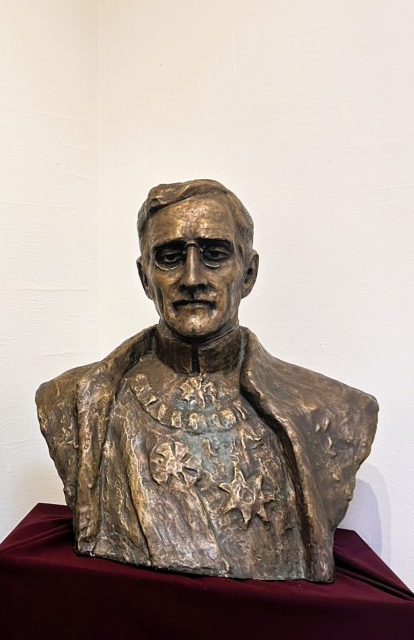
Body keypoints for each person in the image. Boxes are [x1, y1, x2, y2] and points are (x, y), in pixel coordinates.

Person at [36, 179, 377, 581]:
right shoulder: (72, 400)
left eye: (215, 255)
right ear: (145, 277)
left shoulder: (335, 411)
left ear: (248, 273)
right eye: (169, 258)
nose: (192, 277)